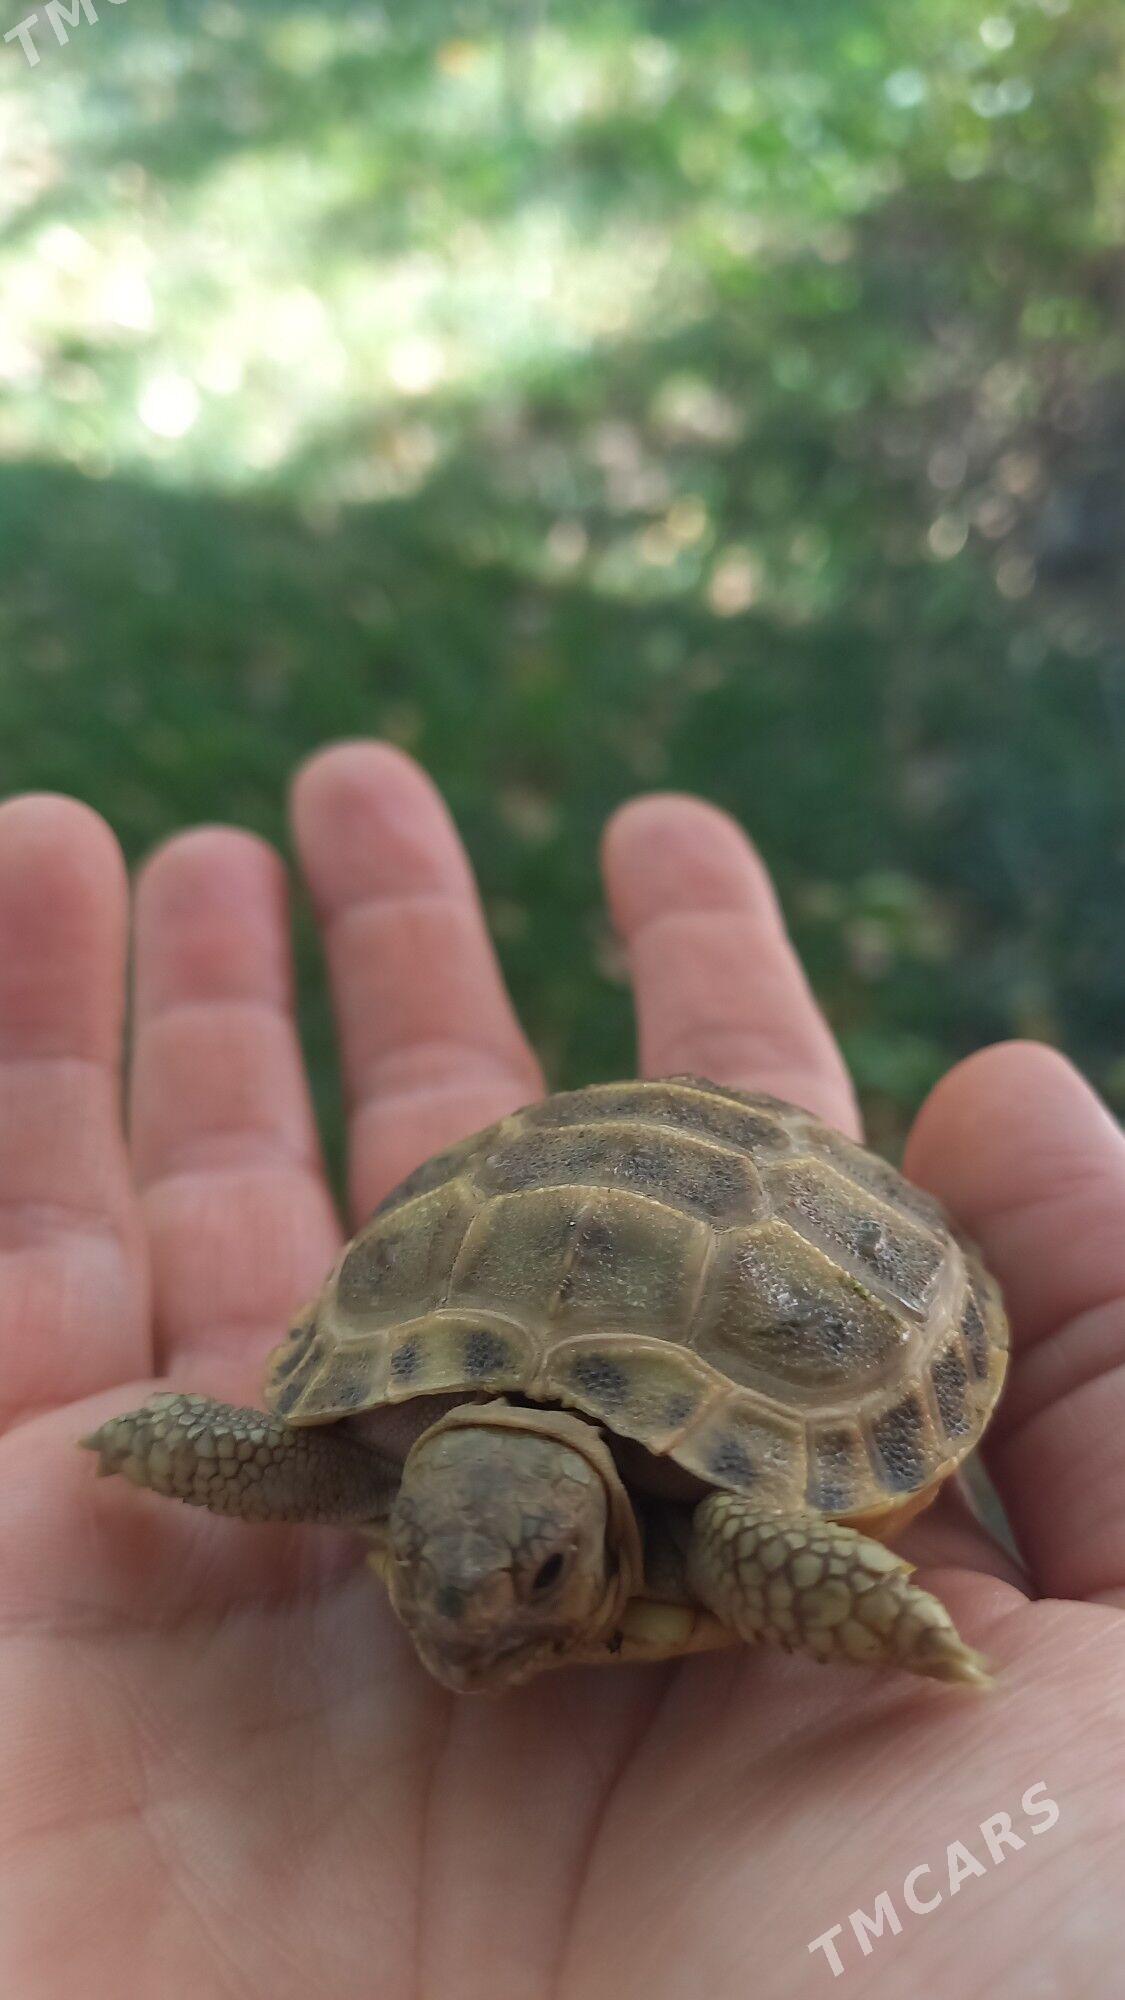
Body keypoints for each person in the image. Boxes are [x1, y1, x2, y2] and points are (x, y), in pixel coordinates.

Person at [1, 740, 1121, 1998]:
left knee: (757, 1547)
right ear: (403, 1499)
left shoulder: (720, 1532)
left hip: (781, 1246)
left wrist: (908, 1639)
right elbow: (282, 1459)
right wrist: (154, 1448)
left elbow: (750, 1542)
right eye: (421, 1560)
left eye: (535, 1576)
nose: (458, 1613)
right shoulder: (363, 1469)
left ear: (592, 1541)